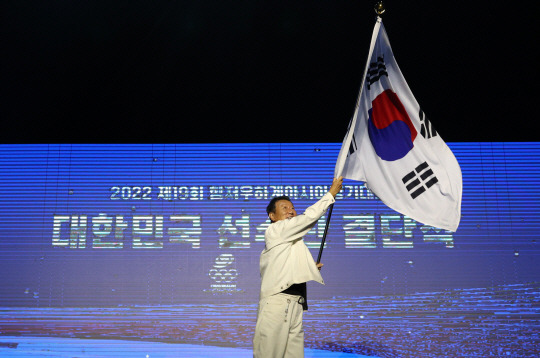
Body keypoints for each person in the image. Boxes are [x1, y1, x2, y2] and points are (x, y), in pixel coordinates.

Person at [253, 176, 343, 358]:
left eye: (293, 207)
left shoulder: (289, 240)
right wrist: (330, 194)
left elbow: (287, 267)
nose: (291, 211)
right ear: (272, 216)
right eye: (284, 208)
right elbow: (308, 218)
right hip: (278, 303)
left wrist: (309, 267)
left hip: (296, 304)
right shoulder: (276, 230)